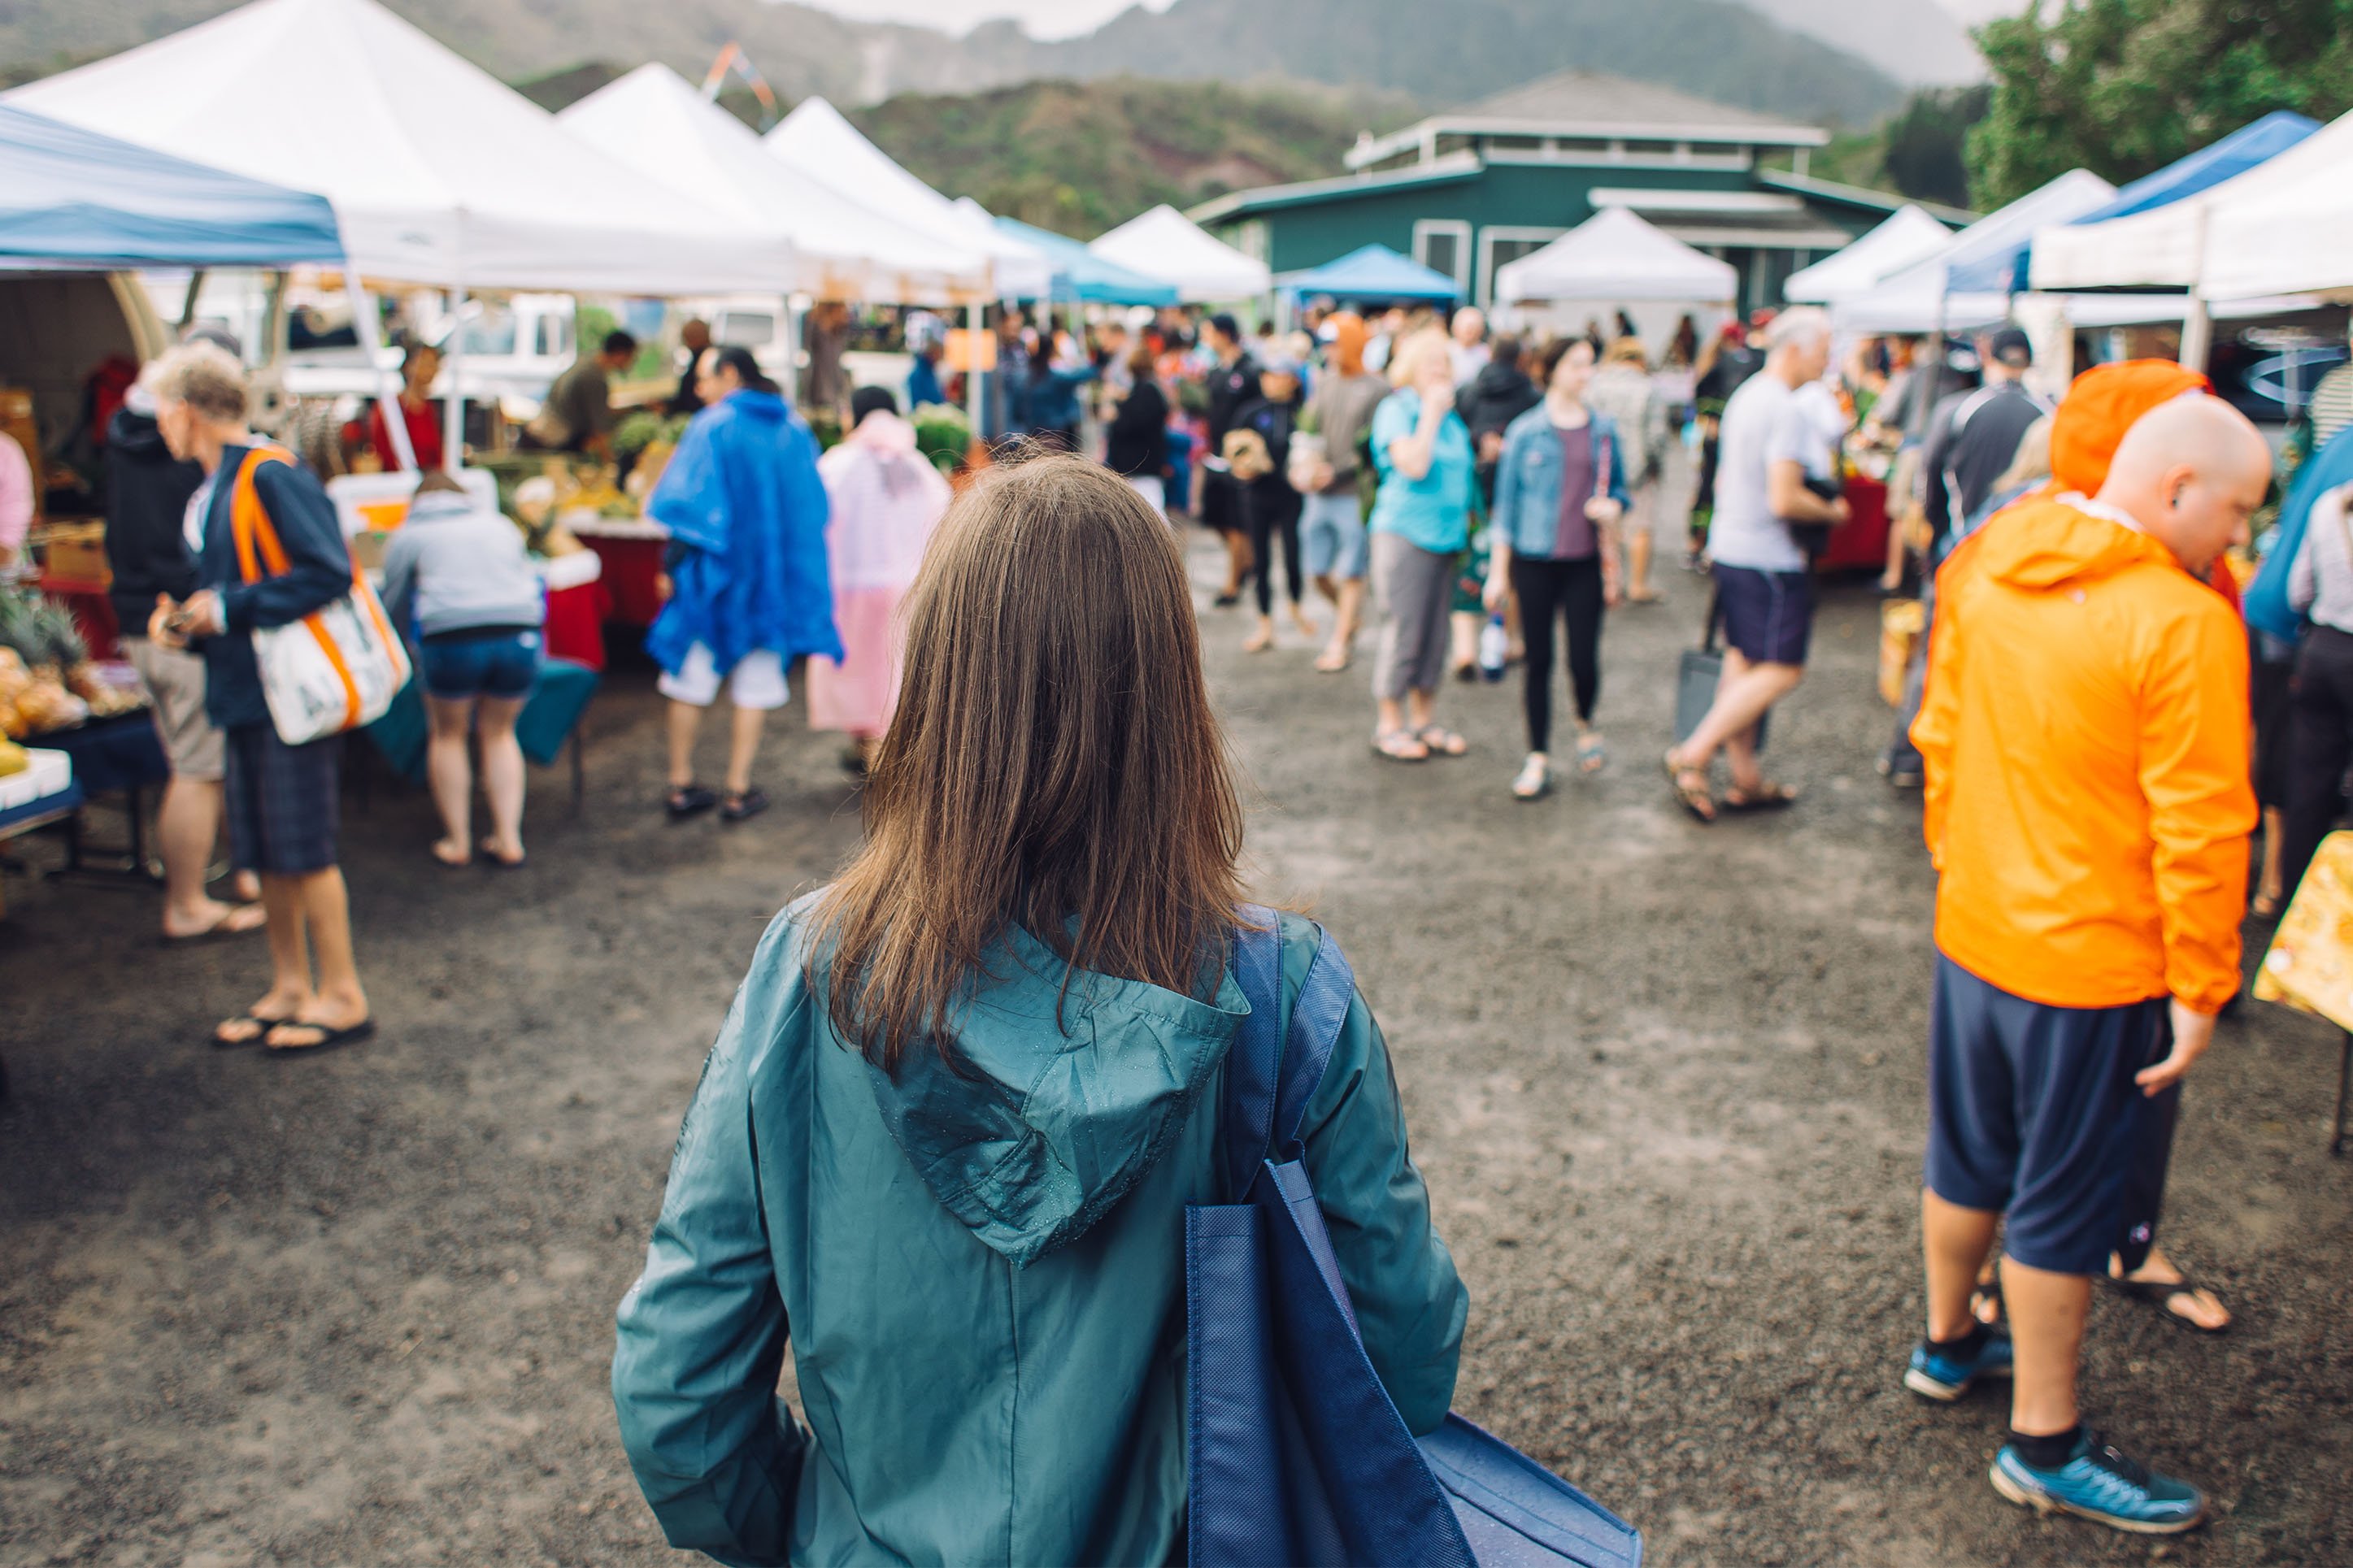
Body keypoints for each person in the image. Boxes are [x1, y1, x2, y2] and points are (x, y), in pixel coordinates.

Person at [611, 455, 1465, 1564]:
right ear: (1166, 688)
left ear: (936, 678)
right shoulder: (1282, 993)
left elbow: (678, 1390)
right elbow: (1399, 1349)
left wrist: (822, 1532)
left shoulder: (810, 968)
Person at [1905, 393, 2268, 1535]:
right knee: (2061, 1203)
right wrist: (2203, 984)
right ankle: (2043, 1445)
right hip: (2090, 963)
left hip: (1980, 932)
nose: (2239, 536)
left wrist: (1961, 871)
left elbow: (1939, 736)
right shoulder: (2180, 618)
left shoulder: (1987, 556)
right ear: (2172, 491)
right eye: (2235, 509)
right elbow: (2205, 827)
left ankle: (1947, 1341)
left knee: (1966, 1157)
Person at [143, 342, 372, 1054]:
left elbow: (328, 571)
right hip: (244, 691)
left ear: (185, 412)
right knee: (267, 853)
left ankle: (342, 993)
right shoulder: (213, 489)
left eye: (161, 412)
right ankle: (289, 986)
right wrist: (185, 621)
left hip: (286, 698)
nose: (159, 428)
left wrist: (228, 608)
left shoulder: (271, 474)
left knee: (304, 849)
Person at [1662, 308, 1844, 822]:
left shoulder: (1750, 395)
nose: (1829, 360)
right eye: (1823, 349)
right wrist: (1835, 511)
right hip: (1769, 557)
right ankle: (1693, 754)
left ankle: (1745, 777)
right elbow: (1785, 499)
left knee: (1743, 665)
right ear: (1794, 349)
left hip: (1734, 546)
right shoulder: (1784, 408)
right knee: (1781, 670)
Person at [647, 345, 841, 824]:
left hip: (712, 582)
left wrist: (671, 568)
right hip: (769, 583)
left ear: (730, 374)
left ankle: (681, 783)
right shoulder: (794, 431)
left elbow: (685, 508)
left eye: (702, 378)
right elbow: (812, 511)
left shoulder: (710, 426)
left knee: (689, 680)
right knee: (755, 684)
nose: (697, 389)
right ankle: (738, 789)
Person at [103, 364, 263, 941]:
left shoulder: (124, 439)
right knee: (198, 769)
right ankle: (188, 901)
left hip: (137, 614)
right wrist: (202, 609)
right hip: (173, 619)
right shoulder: (186, 453)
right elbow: (189, 545)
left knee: (189, 762)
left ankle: (222, 881)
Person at [1880, 327, 2050, 790]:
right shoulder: (2048, 414)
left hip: (1960, 556)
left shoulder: (1959, 410)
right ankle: (1977, 768)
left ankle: (1908, 758)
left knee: (1937, 658)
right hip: (2025, 565)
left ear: (1985, 354)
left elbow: (1928, 486)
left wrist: (1931, 544)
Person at [1487, 338, 1632, 799]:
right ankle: (1538, 755)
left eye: (1590, 365)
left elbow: (1622, 490)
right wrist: (1497, 572)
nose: (1585, 373)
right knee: (1538, 661)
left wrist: (1612, 506)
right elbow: (1505, 510)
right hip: (1533, 561)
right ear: (1551, 370)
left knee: (1584, 658)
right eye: (1576, 365)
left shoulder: (1604, 430)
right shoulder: (1526, 431)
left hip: (1584, 561)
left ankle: (1585, 721)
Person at [379, 470, 546, 869]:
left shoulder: (410, 534)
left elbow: (394, 602)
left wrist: (398, 649)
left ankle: (458, 841)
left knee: (449, 734)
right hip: (520, 634)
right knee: (501, 733)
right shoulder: (500, 525)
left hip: (452, 640)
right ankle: (509, 838)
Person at [806, 387, 951, 775]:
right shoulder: (919, 465)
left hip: (852, 587)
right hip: (909, 588)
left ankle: (878, 764)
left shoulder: (840, 462)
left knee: (860, 675)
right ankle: (874, 752)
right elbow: (945, 518)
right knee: (894, 673)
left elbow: (814, 520)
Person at [1367, 328, 1477, 762]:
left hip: (1446, 539)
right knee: (1404, 629)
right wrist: (1429, 413)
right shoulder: (1398, 409)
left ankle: (1424, 720)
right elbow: (1412, 464)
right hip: (1404, 534)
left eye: (1446, 362)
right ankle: (1389, 724)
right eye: (1432, 361)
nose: (1441, 370)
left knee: (1435, 634)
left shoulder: (1453, 418)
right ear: (1411, 366)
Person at [1298, 313, 1388, 673]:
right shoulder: (1325, 382)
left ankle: (1339, 642)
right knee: (1317, 571)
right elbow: (1310, 431)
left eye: (1335, 343)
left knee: (1352, 571)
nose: (1329, 350)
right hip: (1319, 492)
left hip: (1354, 493)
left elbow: (1374, 448)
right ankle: (1347, 621)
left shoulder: (1378, 388)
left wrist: (1335, 471)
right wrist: (1305, 466)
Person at [1229, 352, 1314, 654]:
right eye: (1267, 375)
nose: (1270, 381)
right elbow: (1233, 452)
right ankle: (1265, 624)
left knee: (1293, 556)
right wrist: (1243, 469)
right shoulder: (1251, 412)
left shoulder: (1303, 413)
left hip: (1291, 496)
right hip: (1257, 496)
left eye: (1278, 375)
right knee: (1261, 562)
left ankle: (1296, 606)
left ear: (1292, 380)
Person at [1584, 337, 1672, 604]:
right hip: (1639, 466)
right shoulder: (1648, 388)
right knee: (1641, 527)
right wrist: (1657, 465)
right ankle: (1637, 585)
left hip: (1599, 464)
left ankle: (1608, 581)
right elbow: (1657, 434)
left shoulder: (1594, 384)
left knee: (1603, 524)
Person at [1687, 319, 1764, 570]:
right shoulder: (1726, 362)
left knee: (1714, 489)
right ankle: (1699, 544)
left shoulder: (1740, 360)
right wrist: (1711, 421)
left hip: (1726, 441)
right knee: (1709, 490)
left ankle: (1703, 545)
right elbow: (1702, 393)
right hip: (1716, 442)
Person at [1199, 313, 1260, 606]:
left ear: (1224, 334)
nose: (1205, 339)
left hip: (1239, 459)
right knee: (1214, 519)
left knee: (1236, 525)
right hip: (1214, 456)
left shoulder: (1250, 370)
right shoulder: (1214, 371)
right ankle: (1248, 561)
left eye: (1208, 332)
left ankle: (1232, 586)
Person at [1455, 333, 1540, 506]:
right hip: (1516, 487)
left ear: (1490, 354)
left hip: (1471, 483)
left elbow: (1456, 432)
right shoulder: (1533, 396)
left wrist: (1480, 440)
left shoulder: (1466, 392)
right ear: (1520, 357)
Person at [522, 330, 636, 458]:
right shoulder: (594, 378)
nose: (632, 362)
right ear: (620, 354)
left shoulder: (586, 361)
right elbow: (600, 430)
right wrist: (610, 462)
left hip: (537, 431)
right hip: (550, 443)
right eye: (631, 356)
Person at [1103, 342, 1172, 512]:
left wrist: (1116, 414)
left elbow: (1134, 423)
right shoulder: (1147, 388)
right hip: (1139, 464)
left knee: (1150, 511)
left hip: (1140, 464)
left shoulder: (1146, 391)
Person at [367, 341, 445, 471]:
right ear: (408, 366)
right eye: (425, 363)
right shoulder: (390, 409)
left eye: (434, 364)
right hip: (400, 483)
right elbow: (384, 454)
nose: (431, 369)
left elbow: (437, 455)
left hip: (431, 482)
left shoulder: (429, 409)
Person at [667, 319, 713, 417]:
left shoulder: (707, 359)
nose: (686, 343)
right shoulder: (701, 356)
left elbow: (689, 396)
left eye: (687, 338)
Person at [1448, 306, 1490, 386]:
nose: (1470, 332)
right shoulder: (1446, 350)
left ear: (1481, 330)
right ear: (1455, 328)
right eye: (1467, 328)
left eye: (1474, 328)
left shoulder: (1486, 353)